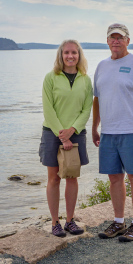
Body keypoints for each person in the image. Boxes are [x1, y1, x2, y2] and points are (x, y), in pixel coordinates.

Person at [92, 23, 133, 242]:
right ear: (107, 41)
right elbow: (97, 100)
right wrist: (94, 127)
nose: (116, 41)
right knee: (114, 178)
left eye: (120, 37)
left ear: (128, 40)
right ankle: (119, 222)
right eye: (112, 38)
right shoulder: (101, 66)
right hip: (109, 133)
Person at [39, 40, 93, 237]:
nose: (70, 56)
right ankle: (55, 223)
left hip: (77, 132)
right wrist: (62, 134)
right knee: (53, 179)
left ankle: (70, 221)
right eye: (66, 53)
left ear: (79, 55)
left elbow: (87, 109)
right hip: (53, 133)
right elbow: (48, 109)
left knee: (72, 177)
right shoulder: (51, 78)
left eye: (74, 53)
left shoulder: (86, 80)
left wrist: (73, 129)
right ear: (60, 55)